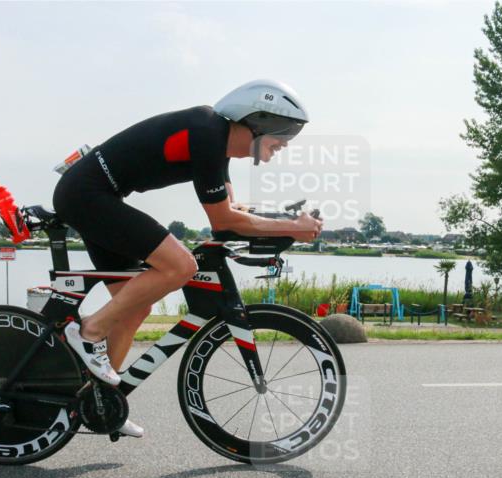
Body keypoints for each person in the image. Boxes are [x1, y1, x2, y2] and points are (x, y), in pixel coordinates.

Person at [52, 80, 322, 438]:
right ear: (257, 122)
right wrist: (291, 227)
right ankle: (88, 332)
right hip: (88, 195)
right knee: (181, 266)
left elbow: (235, 211)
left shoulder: (217, 145)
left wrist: (286, 222)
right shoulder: (207, 133)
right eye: (282, 135)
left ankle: (101, 402)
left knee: (134, 309)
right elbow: (223, 221)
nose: (284, 144)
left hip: (96, 195)